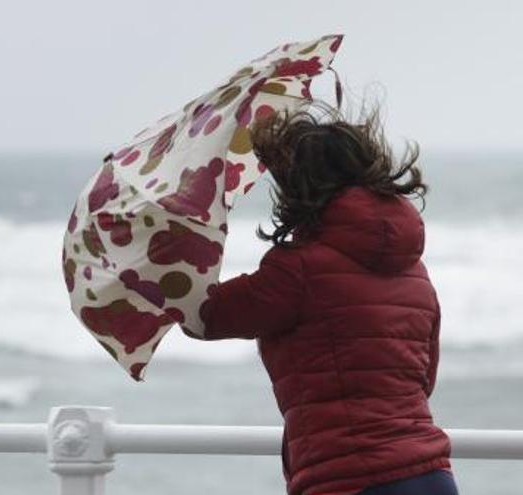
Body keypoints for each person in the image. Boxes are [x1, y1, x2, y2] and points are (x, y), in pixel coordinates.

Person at [195, 99, 459, 495]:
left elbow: (205, 316)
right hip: (432, 476)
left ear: (300, 187)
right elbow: (424, 379)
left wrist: (182, 241)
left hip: (350, 480)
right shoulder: (414, 270)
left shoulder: (298, 269)